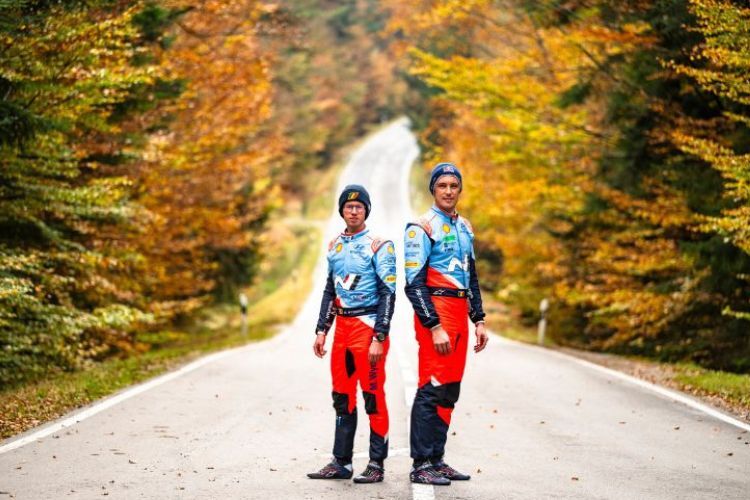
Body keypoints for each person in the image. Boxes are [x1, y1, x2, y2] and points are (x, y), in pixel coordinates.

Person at [403, 162, 489, 485]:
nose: (449, 191)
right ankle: (421, 462)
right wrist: (433, 325)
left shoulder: (465, 227)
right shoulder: (421, 227)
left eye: (454, 185)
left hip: (460, 312)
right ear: (433, 190)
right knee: (432, 386)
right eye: (443, 186)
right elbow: (413, 282)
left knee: (450, 389)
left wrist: (478, 319)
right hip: (436, 313)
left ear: (459, 189)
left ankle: (437, 458)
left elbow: (472, 276)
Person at [307, 184, 397, 484]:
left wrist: (380, 336)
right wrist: (322, 330)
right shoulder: (334, 245)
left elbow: (388, 292)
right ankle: (341, 462)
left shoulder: (379, 244)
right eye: (349, 206)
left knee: (372, 396)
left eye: (359, 207)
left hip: (368, 328)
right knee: (341, 397)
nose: (354, 210)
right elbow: (330, 290)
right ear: (342, 210)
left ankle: (376, 464)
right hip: (342, 331)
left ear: (366, 211)